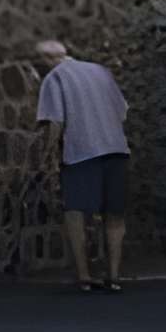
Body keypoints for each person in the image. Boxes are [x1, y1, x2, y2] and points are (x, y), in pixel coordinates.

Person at [33, 39, 131, 293]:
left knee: (74, 211)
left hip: (81, 151)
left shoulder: (54, 78)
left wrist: (47, 156)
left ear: (45, 60)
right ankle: (114, 276)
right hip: (116, 147)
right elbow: (122, 110)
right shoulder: (101, 71)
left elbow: (55, 122)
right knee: (114, 214)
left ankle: (85, 276)